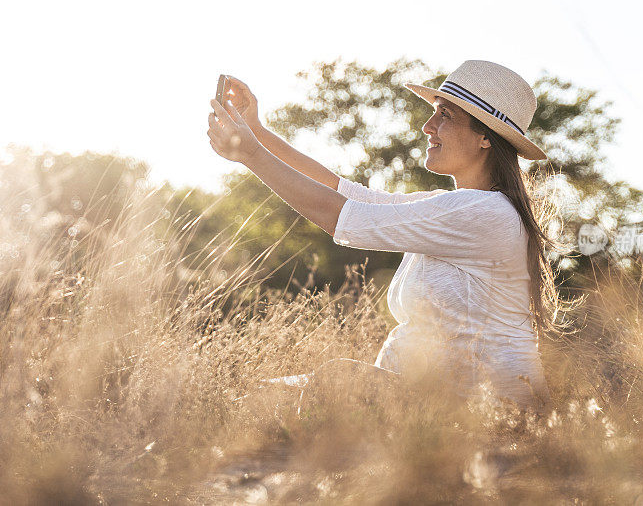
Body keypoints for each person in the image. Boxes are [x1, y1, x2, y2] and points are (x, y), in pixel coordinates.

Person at [207, 60, 560, 411]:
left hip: (476, 412)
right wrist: (257, 132)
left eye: (445, 117)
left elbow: (340, 215)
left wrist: (250, 153)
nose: (427, 126)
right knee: (265, 391)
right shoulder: (453, 206)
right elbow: (347, 193)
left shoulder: (484, 213)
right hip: (431, 401)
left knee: (331, 380)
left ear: (486, 137)